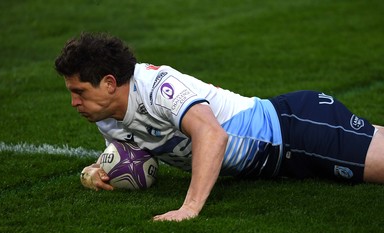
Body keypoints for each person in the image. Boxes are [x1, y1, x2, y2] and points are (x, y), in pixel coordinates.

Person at [54, 32, 384, 222]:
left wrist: (190, 208)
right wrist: (94, 170)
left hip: (296, 129)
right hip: (280, 160)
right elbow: (130, 150)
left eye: (79, 92)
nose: (74, 103)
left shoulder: (158, 87)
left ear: (109, 83)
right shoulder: (108, 118)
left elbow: (212, 133)